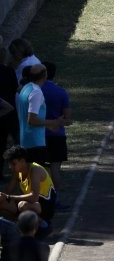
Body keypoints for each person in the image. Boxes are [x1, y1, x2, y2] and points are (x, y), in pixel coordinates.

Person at [16, 65, 64, 167]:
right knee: (36, 177)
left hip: (25, 140)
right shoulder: (36, 92)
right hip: (35, 142)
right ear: (45, 75)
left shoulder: (26, 88)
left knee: (29, 177)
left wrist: (48, 126)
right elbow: (32, 120)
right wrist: (54, 122)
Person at [0, 145, 59, 228]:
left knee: (22, 205)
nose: (10, 167)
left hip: (44, 208)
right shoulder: (17, 172)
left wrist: (8, 197)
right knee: (1, 204)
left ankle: (42, 224)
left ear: (22, 160)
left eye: (13, 164)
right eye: (10, 164)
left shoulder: (35, 170)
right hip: (30, 205)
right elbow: (8, 190)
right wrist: (2, 196)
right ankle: (23, 225)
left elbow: (34, 197)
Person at [42, 63, 71, 193]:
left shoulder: (34, 90)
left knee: (39, 166)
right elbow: (67, 118)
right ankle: (56, 195)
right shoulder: (61, 92)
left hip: (38, 134)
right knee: (55, 167)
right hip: (56, 135)